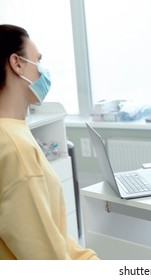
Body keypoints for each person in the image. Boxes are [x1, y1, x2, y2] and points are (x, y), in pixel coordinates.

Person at [0, 24, 98, 260]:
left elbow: (51, 235)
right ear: (17, 63)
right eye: (38, 60)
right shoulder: (15, 148)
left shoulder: (12, 133)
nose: (43, 71)